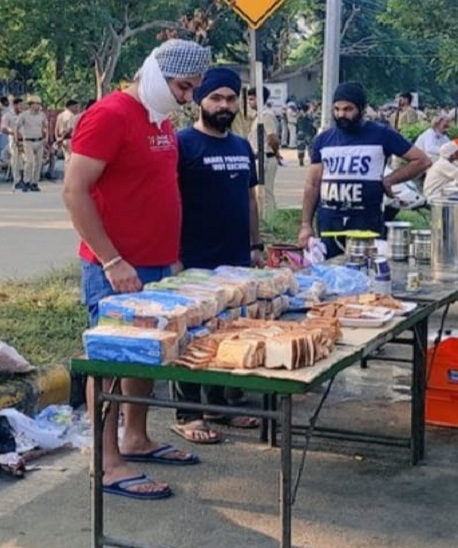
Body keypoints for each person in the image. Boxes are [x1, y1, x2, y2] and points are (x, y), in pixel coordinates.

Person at [63, 39, 211, 500]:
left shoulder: (159, 119)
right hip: (115, 269)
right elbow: (74, 191)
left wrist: (171, 257)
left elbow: (157, 188)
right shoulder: (109, 115)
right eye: (183, 87)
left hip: (156, 264)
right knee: (108, 362)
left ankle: (137, 437)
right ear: (155, 73)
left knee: (146, 354)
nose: (187, 99)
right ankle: (106, 463)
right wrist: (111, 259)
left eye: (192, 90)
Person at [169, 68, 263, 443]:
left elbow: (250, 199)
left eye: (230, 98)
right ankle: (188, 413)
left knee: (230, 333)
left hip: (236, 258)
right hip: (193, 260)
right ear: (199, 101)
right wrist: (172, 255)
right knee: (191, 337)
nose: (224, 105)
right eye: (216, 98)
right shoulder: (183, 144)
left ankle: (223, 406)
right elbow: (169, 202)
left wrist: (255, 246)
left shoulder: (242, 146)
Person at [297, 82, 431, 258]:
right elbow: (313, 184)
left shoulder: (381, 135)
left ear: (361, 109)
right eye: (336, 109)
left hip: (366, 228)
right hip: (329, 226)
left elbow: (421, 160)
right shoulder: (324, 140)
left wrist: (389, 180)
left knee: (366, 280)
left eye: (348, 109)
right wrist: (306, 224)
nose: (341, 114)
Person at [246, 86, 280, 222]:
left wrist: (276, 152)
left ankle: (269, 221)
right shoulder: (258, 116)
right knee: (260, 193)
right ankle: (265, 219)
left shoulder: (266, 116)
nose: (249, 102)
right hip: (259, 157)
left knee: (265, 194)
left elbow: (272, 137)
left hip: (265, 157)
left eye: (252, 99)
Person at [16, 95, 48, 191]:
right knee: (29, 162)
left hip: (39, 140)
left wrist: (46, 138)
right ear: (31, 105)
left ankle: (34, 182)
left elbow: (46, 126)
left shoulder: (42, 115)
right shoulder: (24, 115)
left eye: (39, 104)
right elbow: (16, 127)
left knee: (38, 163)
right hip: (28, 141)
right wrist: (16, 138)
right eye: (36, 104)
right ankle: (26, 181)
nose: (38, 106)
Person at [1, 98, 24, 190]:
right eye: (20, 105)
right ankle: (17, 181)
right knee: (15, 160)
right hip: (14, 140)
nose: (22, 107)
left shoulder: (24, 115)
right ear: (14, 105)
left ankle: (25, 180)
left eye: (22, 105)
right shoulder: (7, 115)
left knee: (25, 161)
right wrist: (12, 132)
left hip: (25, 140)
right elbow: (3, 128)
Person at [55, 99, 81, 164]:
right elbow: (69, 129)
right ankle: (68, 173)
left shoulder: (60, 115)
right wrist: (62, 138)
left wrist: (58, 138)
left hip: (62, 139)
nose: (77, 109)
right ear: (70, 106)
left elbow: (56, 128)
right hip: (68, 139)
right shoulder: (71, 116)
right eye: (76, 107)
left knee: (67, 158)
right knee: (69, 159)